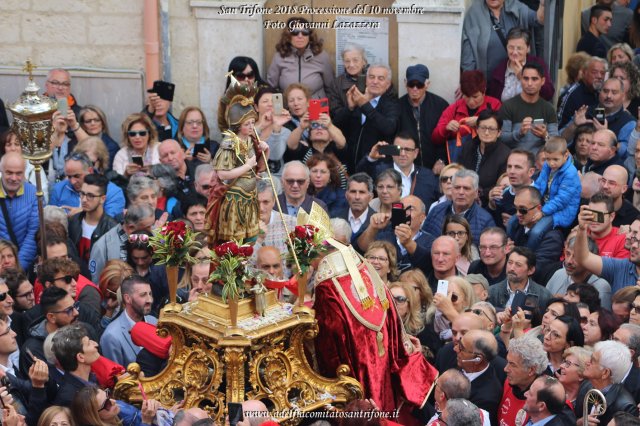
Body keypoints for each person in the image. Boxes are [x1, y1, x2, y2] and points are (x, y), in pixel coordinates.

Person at [313, 239, 438, 414]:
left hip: (355, 376)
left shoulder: (327, 287)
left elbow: (328, 342)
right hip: (383, 369)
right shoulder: (367, 272)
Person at [208, 94, 269, 244]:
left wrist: (266, 151)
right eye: (247, 124)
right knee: (234, 242)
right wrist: (246, 166)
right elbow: (222, 174)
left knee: (251, 239)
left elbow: (260, 167)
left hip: (249, 197)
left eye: (252, 123)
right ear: (237, 124)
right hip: (235, 199)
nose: (251, 127)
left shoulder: (251, 140)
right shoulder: (229, 143)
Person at [333, 64, 399, 173]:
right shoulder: (357, 100)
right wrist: (349, 108)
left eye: (380, 78)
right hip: (351, 166)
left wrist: (365, 105)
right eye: (371, 77)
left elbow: (388, 128)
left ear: (388, 85)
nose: (375, 81)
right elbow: (336, 126)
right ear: (366, 81)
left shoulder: (392, 104)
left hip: (378, 167)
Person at [461, 0, 545, 78]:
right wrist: (468, 80)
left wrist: (543, 4)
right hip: (487, 82)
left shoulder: (515, 6)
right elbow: (468, 55)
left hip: (516, 78)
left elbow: (538, 19)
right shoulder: (474, 13)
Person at [356, 133, 440, 211]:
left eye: (407, 149)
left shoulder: (428, 176)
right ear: (392, 151)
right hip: (386, 223)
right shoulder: (380, 171)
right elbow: (359, 177)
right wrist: (371, 158)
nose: (402, 154)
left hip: (420, 224)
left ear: (415, 153)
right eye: (398, 149)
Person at [431, 71, 502, 162]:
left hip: (488, 158)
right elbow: (435, 138)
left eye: (475, 97)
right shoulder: (454, 108)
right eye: (467, 96)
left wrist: (481, 122)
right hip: (460, 159)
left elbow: (502, 133)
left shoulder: (494, 105)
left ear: (484, 91)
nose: (471, 101)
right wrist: (446, 128)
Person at [422, 169, 496, 246]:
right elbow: (423, 242)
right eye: (457, 188)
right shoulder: (436, 210)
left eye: (466, 188)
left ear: (476, 193)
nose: (461, 192)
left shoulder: (485, 221)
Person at [498, 62, 558, 155]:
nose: (529, 83)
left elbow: (556, 143)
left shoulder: (548, 108)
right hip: (515, 161)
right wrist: (519, 133)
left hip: (540, 163)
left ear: (542, 81)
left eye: (534, 79)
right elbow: (501, 138)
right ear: (520, 79)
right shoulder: (508, 106)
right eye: (526, 78)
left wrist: (545, 135)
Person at [529, 137, 581, 243]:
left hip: (560, 212)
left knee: (536, 232)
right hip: (545, 205)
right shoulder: (547, 166)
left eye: (555, 159)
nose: (551, 163)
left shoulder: (570, 173)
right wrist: (530, 200)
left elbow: (561, 200)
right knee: (514, 221)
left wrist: (542, 212)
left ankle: (528, 256)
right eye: (548, 159)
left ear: (565, 155)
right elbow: (539, 185)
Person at [397, 64, 449, 168]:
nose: (415, 89)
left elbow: (446, 137)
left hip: (435, 167)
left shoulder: (440, 105)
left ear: (427, 84)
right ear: (405, 83)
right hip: (406, 167)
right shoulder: (397, 106)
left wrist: (441, 159)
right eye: (411, 84)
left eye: (419, 85)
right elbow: (393, 138)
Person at [267, 17, 334, 99]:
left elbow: (331, 88)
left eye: (305, 32)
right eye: (295, 32)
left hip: (315, 107)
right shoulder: (279, 56)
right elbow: (271, 88)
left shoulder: (321, 56)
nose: (300, 36)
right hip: (288, 108)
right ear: (288, 35)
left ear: (309, 35)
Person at [574, 340, 638, 425]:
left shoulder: (625, 406)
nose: (587, 362)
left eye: (593, 360)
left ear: (605, 373)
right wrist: (579, 423)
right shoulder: (586, 386)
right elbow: (575, 417)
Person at [89, 204, 155, 283]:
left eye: (152, 226)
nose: (152, 230)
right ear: (131, 227)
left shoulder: (154, 238)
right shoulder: (102, 247)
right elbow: (96, 282)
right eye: (147, 227)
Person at [99, 275, 156, 367]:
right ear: (127, 298)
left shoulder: (154, 322)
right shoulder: (111, 336)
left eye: (150, 294)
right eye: (143, 295)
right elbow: (116, 377)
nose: (150, 300)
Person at [49, 152, 125, 219]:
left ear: (90, 171)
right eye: (69, 176)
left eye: (77, 176)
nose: (72, 182)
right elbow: (50, 221)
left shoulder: (113, 192)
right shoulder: (58, 189)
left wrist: (84, 212)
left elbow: (110, 223)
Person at [487, 28, 555, 102]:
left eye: (519, 48)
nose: (514, 52)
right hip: (505, 112)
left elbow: (548, 93)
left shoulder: (538, 64)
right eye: (511, 47)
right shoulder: (500, 69)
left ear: (528, 48)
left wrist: (522, 77)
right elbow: (493, 101)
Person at [67, 174, 118, 273]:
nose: (84, 199)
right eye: (82, 193)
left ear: (102, 199)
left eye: (90, 196)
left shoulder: (112, 228)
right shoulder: (73, 222)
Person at [459, 109, 510, 205]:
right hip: (464, 197)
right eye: (483, 128)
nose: (486, 133)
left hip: (488, 203)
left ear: (499, 132)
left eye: (491, 129)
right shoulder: (468, 146)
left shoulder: (505, 154)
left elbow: (502, 185)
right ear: (477, 129)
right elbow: (459, 171)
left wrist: (483, 193)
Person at [508, 186, 564, 274]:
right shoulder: (516, 226)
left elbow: (538, 269)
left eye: (523, 210)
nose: (518, 214)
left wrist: (515, 253)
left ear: (538, 208)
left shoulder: (552, 237)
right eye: (516, 208)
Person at [546, 235, 612, 309]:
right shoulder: (559, 274)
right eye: (568, 254)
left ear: (590, 259)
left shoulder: (601, 287)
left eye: (577, 257)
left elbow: (601, 319)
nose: (568, 261)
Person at [0, 153, 39, 271]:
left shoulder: (33, 194)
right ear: (1, 170)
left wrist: (18, 267)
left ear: (24, 172)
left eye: (18, 173)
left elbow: (33, 234)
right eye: (9, 172)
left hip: (22, 268)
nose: (13, 178)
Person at [498, 336, 549, 425]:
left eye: (512, 365)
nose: (505, 369)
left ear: (531, 370)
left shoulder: (546, 402)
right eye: (508, 362)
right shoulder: (509, 383)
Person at [456, 330, 503, 425]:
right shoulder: (457, 360)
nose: (455, 349)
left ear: (478, 359)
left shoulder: (487, 398)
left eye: (461, 348)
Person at [51, 324, 101, 406]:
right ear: (81, 357)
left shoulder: (91, 378)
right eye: (89, 343)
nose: (95, 344)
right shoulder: (70, 399)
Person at [488, 246, 551, 311]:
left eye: (518, 265)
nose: (511, 268)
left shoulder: (543, 296)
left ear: (531, 270)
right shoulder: (491, 292)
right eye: (510, 263)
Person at [426, 368, 491, 426]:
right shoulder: (482, 414)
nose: (435, 385)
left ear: (442, 396)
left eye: (436, 384)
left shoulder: (435, 423)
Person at [488, 149, 536, 227]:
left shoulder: (542, 195)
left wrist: (516, 224)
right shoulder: (501, 194)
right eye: (509, 166)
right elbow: (492, 227)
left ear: (531, 172)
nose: (511, 171)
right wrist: (491, 206)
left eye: (518, 167)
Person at [557, 57, 607, 129]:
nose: (599, 76)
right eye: (594, 72)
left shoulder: (602, 92)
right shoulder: (571, 95)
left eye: (602, 73)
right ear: (584, 73)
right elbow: (560, 127)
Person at [253, 87, 292, 176]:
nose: (270, 104)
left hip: (274, 180)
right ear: (256, 107)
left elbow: (275, 156)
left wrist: (277, 128)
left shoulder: (285, 132)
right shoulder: (247, 128)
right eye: (265, 101)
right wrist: (260, 127)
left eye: (273, 101)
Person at [583, 192, 629, 258]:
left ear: (611, 216)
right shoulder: (580, 233)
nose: (594, 219)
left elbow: (619, 268)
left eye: (599, 215)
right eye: (591, 214)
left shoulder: (622, 240)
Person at [334, 173, 375, 242]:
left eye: (362, 192)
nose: (357, 197)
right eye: (353, 192)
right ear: (346, 195)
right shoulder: (334, 217)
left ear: (370, 197)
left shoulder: (378, 223)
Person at [306, 153, 347, 217]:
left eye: (323, 172)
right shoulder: (303, 192)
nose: (318, 175)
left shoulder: (340, 196)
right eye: (314, 171)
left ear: (331, 175)